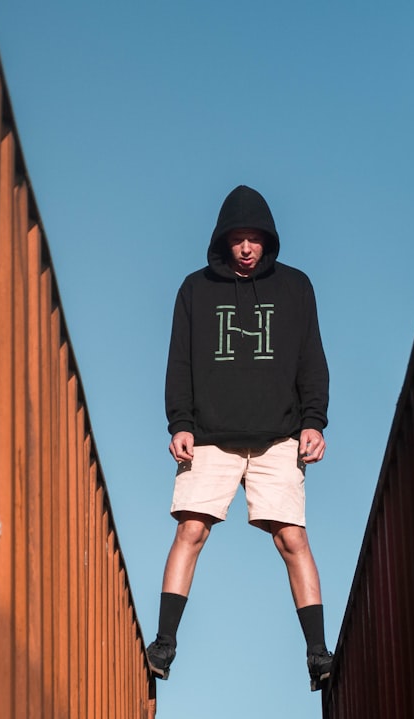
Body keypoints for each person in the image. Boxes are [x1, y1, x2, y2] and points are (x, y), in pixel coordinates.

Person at [146, 184, 333, 691]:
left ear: (267, 241)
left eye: (254, 239)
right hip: (209, 435)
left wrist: (313, 421)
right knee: (191, 529)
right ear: (224, 242)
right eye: (238, 240)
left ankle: (318, 653)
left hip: (278, 437)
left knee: (291, 537)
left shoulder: (296, 288)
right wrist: (179, 422)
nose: (246, 248)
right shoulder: (195, 289)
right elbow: (179, 361)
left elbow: (310, 358)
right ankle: (164, 643)